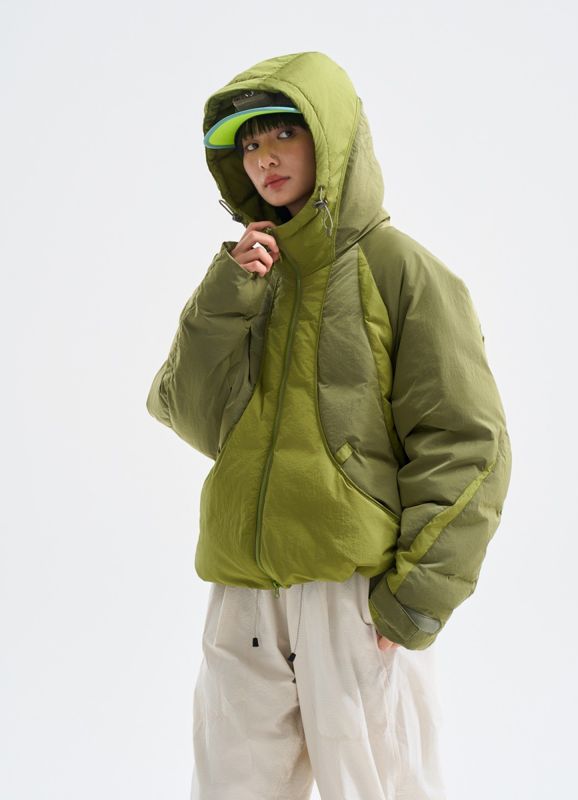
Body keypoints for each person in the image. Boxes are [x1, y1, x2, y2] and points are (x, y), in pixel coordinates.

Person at [146, 51, 512, 800]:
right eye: (249, 144)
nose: (264, 157)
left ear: (333, 138)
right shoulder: (251, 275)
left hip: (352, 596)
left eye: (285, 132)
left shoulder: (401, 270)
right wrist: (227, 294)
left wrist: (414, 600)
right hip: (243, 595)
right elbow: (187, 411)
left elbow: (469, 443)